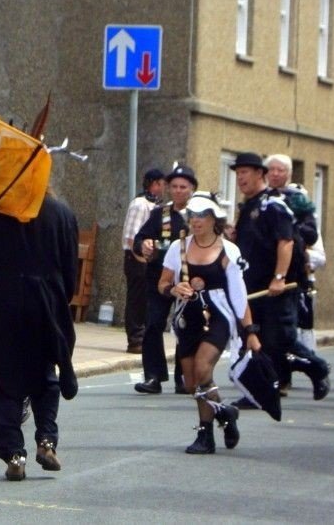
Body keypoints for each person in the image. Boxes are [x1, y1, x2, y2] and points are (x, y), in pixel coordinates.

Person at [0, 191, 79, 482]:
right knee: (45, 374)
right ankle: (46, 438)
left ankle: (14, 453)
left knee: (3, 380)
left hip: (3, 303)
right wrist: (60, 297)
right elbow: (70, 269)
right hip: (45, 303)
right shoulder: (62, 213)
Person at [158, 192, 261, 454]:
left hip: (217, 315)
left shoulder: (229, 250)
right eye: (192, 215)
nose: (196, 220)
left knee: (204, 367)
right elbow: (162, 283)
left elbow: (239, 296)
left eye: (202, 215)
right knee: (193, 383)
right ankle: (225, 412)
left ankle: (205, 435)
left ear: (214, 218)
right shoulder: (178, 247)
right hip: (187, 317)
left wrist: (250, 331)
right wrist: (174, 289)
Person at [230, 152, 328, 404]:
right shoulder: (248, 206)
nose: (240, 178)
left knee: (280, 341)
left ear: (259, 174)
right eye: (238, 173)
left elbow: (284, 242)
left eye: (245, 173)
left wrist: (279, 277)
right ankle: (259, 393)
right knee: (254, 339)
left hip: (277, 287)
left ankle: (316, 367)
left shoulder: (274, 205)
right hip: (251, 285)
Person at [263, 154, 330, 398]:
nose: (275, 174)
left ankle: (316, 366)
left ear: (289, 174)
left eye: (280, 170)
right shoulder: (261, 200)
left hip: (289, 278)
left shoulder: (296, 200)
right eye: (271, 170)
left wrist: (285, 229)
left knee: (284, 334)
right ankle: (277, 379)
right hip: (262, 277)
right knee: (265, 334)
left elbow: (311, 233)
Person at [132, 164, 196, 394]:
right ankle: (153, 376)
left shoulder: (199, 214)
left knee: (184, 327)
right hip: (159, 278)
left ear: (192, 189)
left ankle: (183, 376)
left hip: (189, 281)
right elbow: (140, 238)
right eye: (174, 187)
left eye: (183, 187)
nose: (178, 191)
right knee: (153, 324)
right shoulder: (160, 214)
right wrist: (145, 245)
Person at [122, 168, 166, 354]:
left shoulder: (156, 206)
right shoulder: (140, 204)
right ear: (154, 184)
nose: (164, 188)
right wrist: (142, 258)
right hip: (136, 258)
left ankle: (144, 337)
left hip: (149, 259)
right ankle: (135, 339)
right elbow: (131, 236)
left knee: (147, 300)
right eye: (162, 184)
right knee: (137, 299)